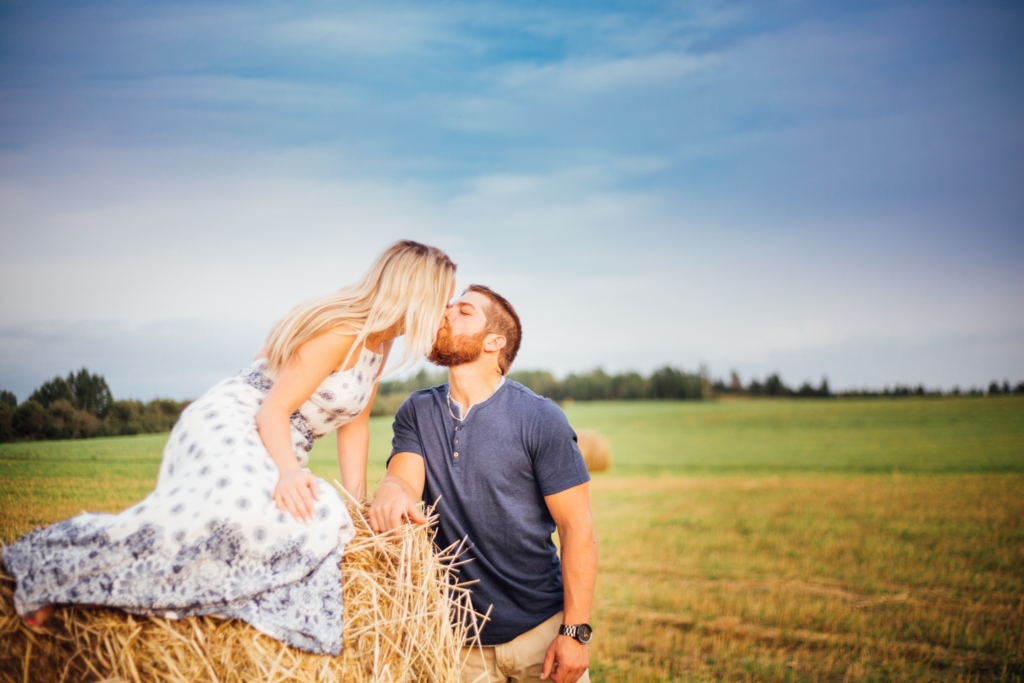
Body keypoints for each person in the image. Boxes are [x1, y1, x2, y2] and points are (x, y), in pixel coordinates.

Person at [2, 240, 457, 656]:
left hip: (277, 441)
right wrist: (288, 472)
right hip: (239, 419)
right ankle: (51, 569)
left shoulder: (381, 340)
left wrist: (358, 507)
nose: (446, 312)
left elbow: (354, 422)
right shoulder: (342, 331)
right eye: (444, 299)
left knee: (323, 521)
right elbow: (272, 411)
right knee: (227, 516)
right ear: (417, 293)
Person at [369, 285, 598, 683]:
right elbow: (403, 477)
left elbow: (577, 530)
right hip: (455, 645)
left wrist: (574, 633)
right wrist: (392, 490)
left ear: (495, 341)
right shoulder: (417, 410)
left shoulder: (540, 418)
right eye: (449, 307)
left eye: (464, 311)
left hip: (539, 635)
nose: (446, 314)